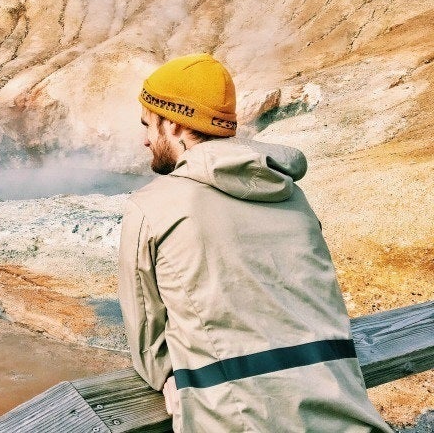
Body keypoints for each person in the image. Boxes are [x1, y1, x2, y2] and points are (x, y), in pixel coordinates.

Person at [118, 53, 392, 432]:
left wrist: (174, 380)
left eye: (148, 124)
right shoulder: (292, 196)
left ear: (174, 123)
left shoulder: (151, 208)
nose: (145, 139)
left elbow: (149, 346)